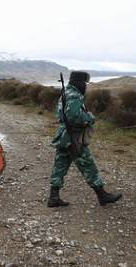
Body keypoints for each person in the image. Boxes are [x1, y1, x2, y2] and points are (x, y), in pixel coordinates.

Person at [48, 71, 122, 207]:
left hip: (63, 136)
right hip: (74, 137)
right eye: (85, 83)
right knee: (88, 165)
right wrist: (90, 117)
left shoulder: (65, 93)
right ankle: (102, 195)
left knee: (60, 165)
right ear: (79, 83)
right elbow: (75, 117)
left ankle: (53, 197)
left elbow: (60, 114)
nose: (85, 86)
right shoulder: (75, 95)